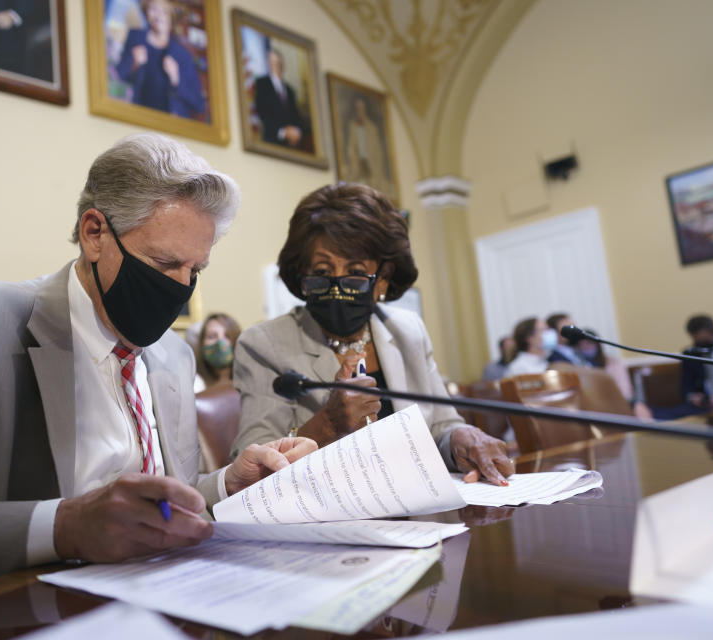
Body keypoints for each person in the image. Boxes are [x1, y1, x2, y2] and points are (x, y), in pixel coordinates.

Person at [0, 134, 316, 613]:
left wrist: (226, 483)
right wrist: (64, 525)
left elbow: (157, 507)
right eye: (164, 265)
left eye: (195, 271)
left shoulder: (172, 356)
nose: (180, 290)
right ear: (95, 233)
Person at [230, 183, 513, 486]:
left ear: (383, 279)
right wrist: (328, 424)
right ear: (302, 277)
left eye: (354, 273)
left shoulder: (407, 331)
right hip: (328, 516)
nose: (338, 287)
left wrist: (461, 437)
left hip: (416, 508)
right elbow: (252, 464)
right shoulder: (265, 345)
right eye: (323, 273)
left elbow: (441, 424)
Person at [115, 0, 206, 118]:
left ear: (172, 17)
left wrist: (177, 80)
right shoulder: (135, 38)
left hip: (170, 125)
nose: (158, 16)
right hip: (138, 117)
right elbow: (119, 74)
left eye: (164, 11)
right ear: (146, 12)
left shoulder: (183, 55)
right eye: (153, 9)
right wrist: (134, 64)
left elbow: (199, 104)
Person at [253, 48, 304, 148]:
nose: (275, 66)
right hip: (271, 140)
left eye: (277, 63)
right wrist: (283, 132)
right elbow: (261, 112)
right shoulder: (262, 84)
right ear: (269, 64)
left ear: (282, 65)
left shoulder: (289, 90)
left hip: (291, 144)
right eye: (272, 63)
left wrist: (296, 131)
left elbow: (296, 117)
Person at [344, 98, 392, 196]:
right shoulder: (352, 126)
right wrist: (353, 156)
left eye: (361, 108)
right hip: (358, 160)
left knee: (373, 184)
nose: (359, 111)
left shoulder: (371, 127)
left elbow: (377, 148)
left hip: (370, 160)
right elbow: (351, 145)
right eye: (357, 109)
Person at [194, 313, 240, 392]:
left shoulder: (249, 383)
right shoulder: (195, 384)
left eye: (227, 336)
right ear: (202, 343)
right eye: (212, 336)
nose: (220, 342)